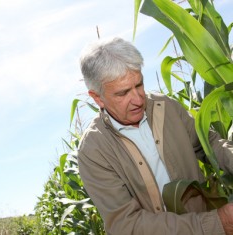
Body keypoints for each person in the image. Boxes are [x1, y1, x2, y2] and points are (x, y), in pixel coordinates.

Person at [77, 37, 233, 235]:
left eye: (139, 84)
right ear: (97, 97)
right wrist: (216, 223)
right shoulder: (94, 151)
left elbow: (210, 144)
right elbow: (126, 225)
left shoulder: (167, 108)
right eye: (123, 93)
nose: (137, 99)